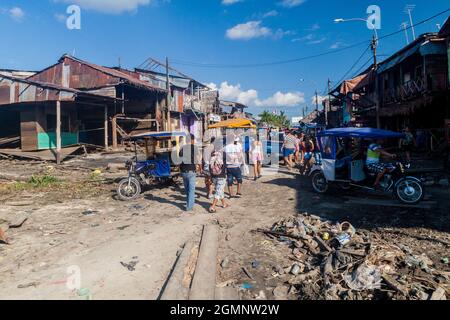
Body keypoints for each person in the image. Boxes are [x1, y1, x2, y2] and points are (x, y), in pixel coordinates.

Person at [179, 134, 201, 212]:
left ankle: (189, 203)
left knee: (187, 189)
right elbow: (197, 159)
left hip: (184, 171)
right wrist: (199, 166)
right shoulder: (194, 147)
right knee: (191, 190)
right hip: (191, 170)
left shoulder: (182, 148)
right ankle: (189, 207)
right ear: (192, 140)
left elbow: (180, 160)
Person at [208, 147, 230, 213]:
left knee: (220, 190)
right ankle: (213, 206)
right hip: (221, 176)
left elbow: (210, 167)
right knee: (218, 191)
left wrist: (211, 177)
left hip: (214, 176)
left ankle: (224, 204)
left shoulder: (212, 155)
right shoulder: (224, 154)